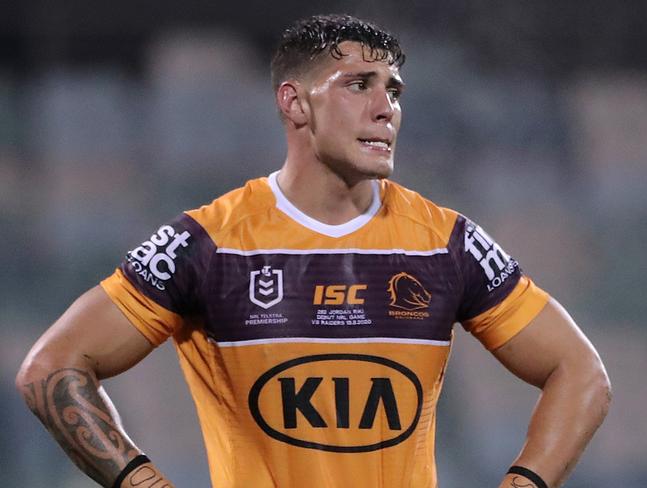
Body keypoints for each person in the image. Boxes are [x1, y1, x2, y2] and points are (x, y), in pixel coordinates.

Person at [16, 14, 611, 488]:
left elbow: (581, 373)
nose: (387, 108)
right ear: (295, 103)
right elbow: (52, 367)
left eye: (394, 91)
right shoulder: (208, 242)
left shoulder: (445, 241)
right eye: (359, 85)